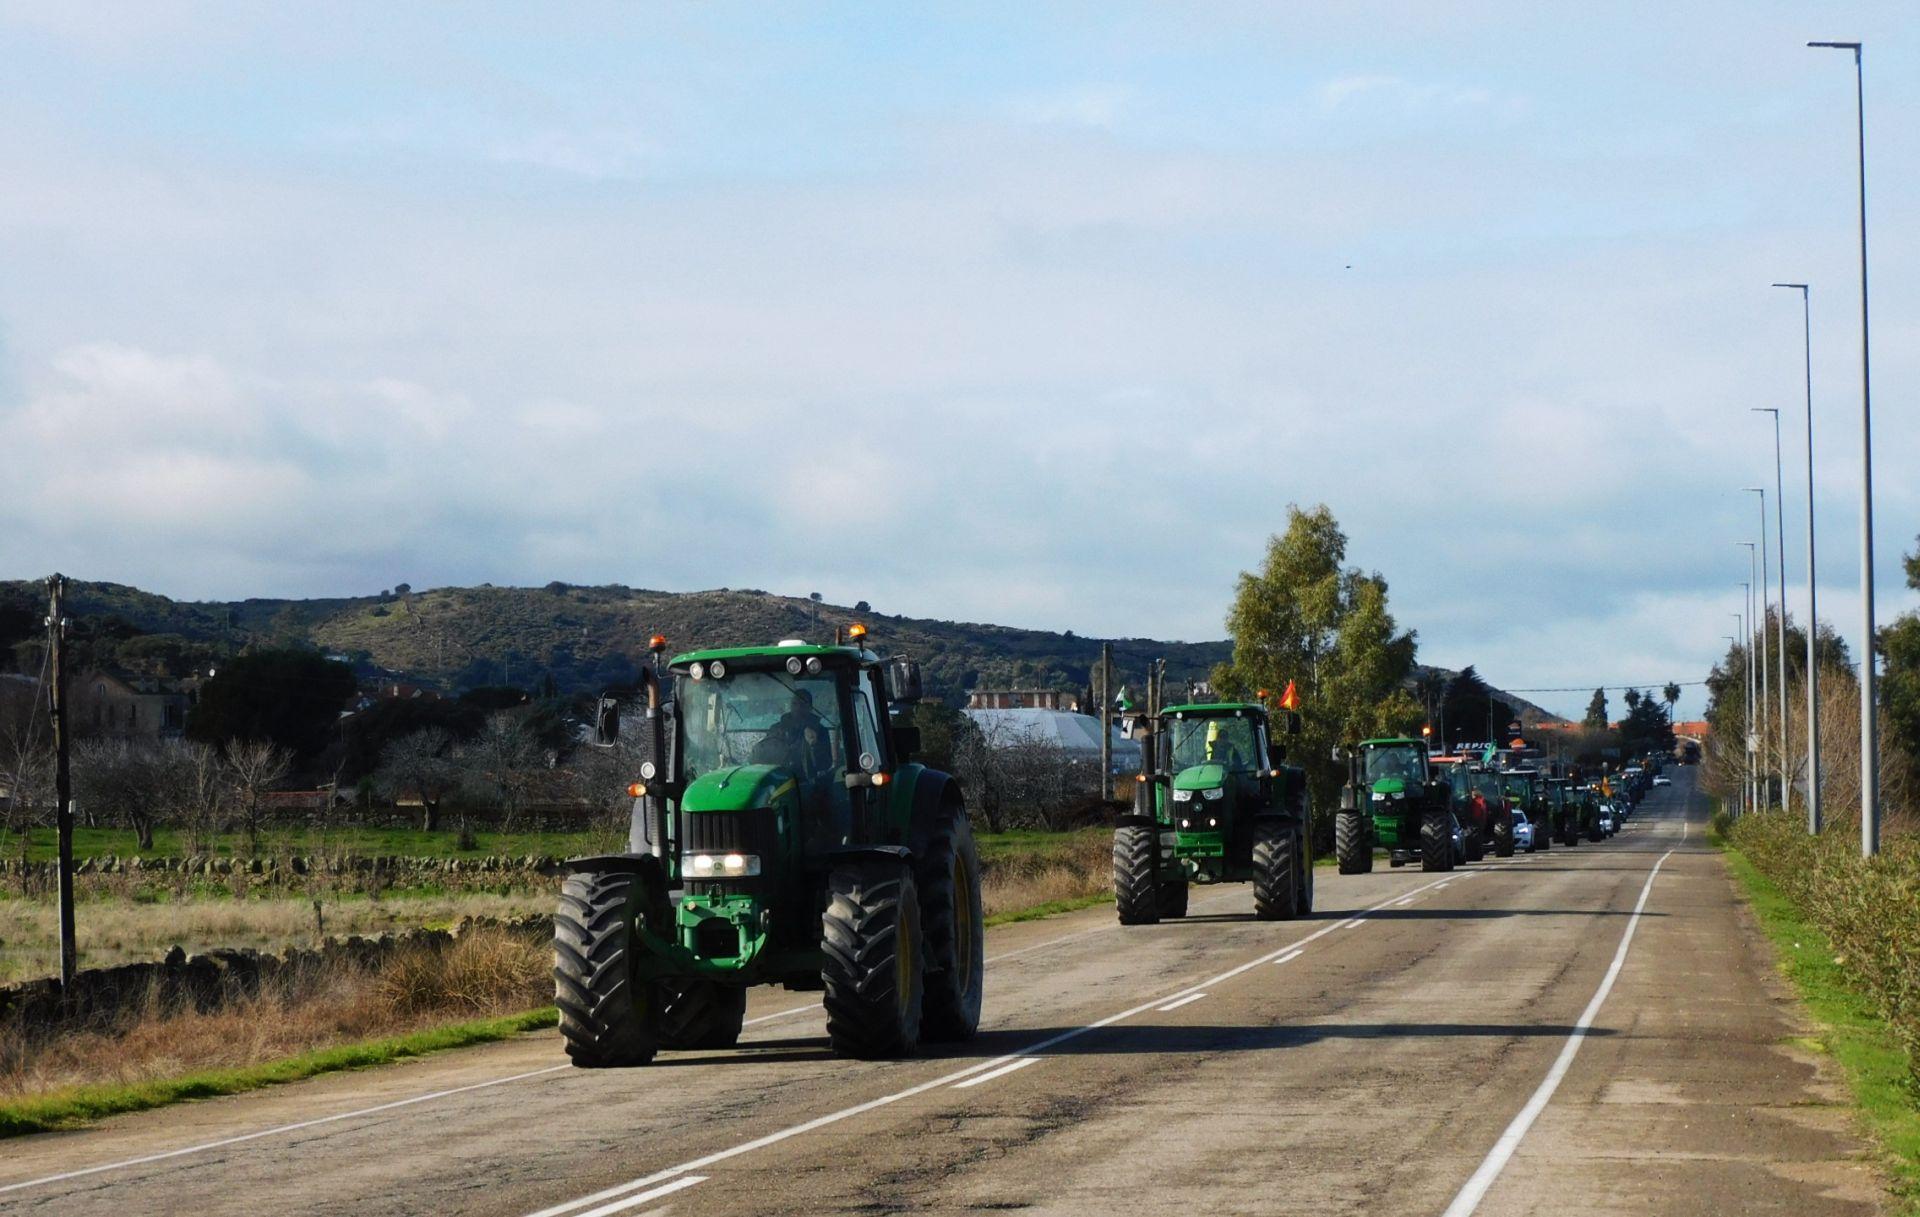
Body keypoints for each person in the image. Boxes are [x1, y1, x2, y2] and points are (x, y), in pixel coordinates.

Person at [757, 689, 833, 776]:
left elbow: (825, 765)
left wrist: (814, 744)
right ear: (790, 706)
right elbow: (763, 758)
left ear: (810, 707)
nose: (798, 708)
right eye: (794, 704)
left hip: (808, 783)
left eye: (803, 704)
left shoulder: (821, 731)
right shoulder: (776, 729)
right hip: (779, 780)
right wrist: (775, 742)